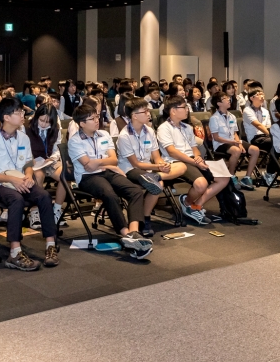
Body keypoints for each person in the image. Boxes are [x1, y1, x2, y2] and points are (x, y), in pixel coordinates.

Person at [68, 102, 153, 258]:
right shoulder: (74, 141)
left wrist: (98, 162)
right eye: (92, 119)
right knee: (109, 194)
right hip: (87, 178)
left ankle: (134, 233)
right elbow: (87, 166)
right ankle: (125, 233)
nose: (96, 120)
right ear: (81, 124)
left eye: (96, 117)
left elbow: (113, 160)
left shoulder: (104, 135)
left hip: (107, 171)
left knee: (135, 191)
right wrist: (102, 162)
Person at [157, 95, 230, 225]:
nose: (187, 110)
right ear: (173, 111)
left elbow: (194, 147)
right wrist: (194, 162)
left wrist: (197, 157)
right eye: (184, 107)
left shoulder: (187, 127)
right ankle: (186, 202)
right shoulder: (164, 128)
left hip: (192, 160)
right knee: (201, 184)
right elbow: (172, 152)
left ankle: (195, 205)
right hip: (176, 162)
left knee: (224, 177)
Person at [116, 97, 176, 237]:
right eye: (145, 111)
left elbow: (156, 156)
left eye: (148, 110)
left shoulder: (149, 131)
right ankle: (145, 218)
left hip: (149, 169)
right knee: (156, 181)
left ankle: (145, 216)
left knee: (160, 180)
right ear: (134, 116)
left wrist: (161, 163)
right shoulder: (124, 136)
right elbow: (135, 164)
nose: (149, 113)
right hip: (130, 170)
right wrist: (157, 167)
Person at [25, 103, 67, 229]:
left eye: (47, 122)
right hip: (32, 161)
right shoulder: (26, 127)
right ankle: (34, 211)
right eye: (41, 120)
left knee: (65, 176)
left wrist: (52, 158)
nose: (43, 124)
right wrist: (30, 159)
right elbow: (23, 147)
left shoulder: (56, 129)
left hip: (48, 160)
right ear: (37, 117)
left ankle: (57, 209)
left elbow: (57, 148)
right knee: (37, 176)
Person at [209, 93, 260, 191]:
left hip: (233, 141)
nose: (228, 100)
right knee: (236, 151)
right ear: (219, 103)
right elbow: (216, 137)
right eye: (225, 99)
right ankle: (231, 176)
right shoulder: (214, 118)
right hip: (221, 144)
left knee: (255, 150)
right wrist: (234, 143)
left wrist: (238, 143)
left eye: (228, 98)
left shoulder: (232, 116)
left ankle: (247, 178)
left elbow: (235, 133)